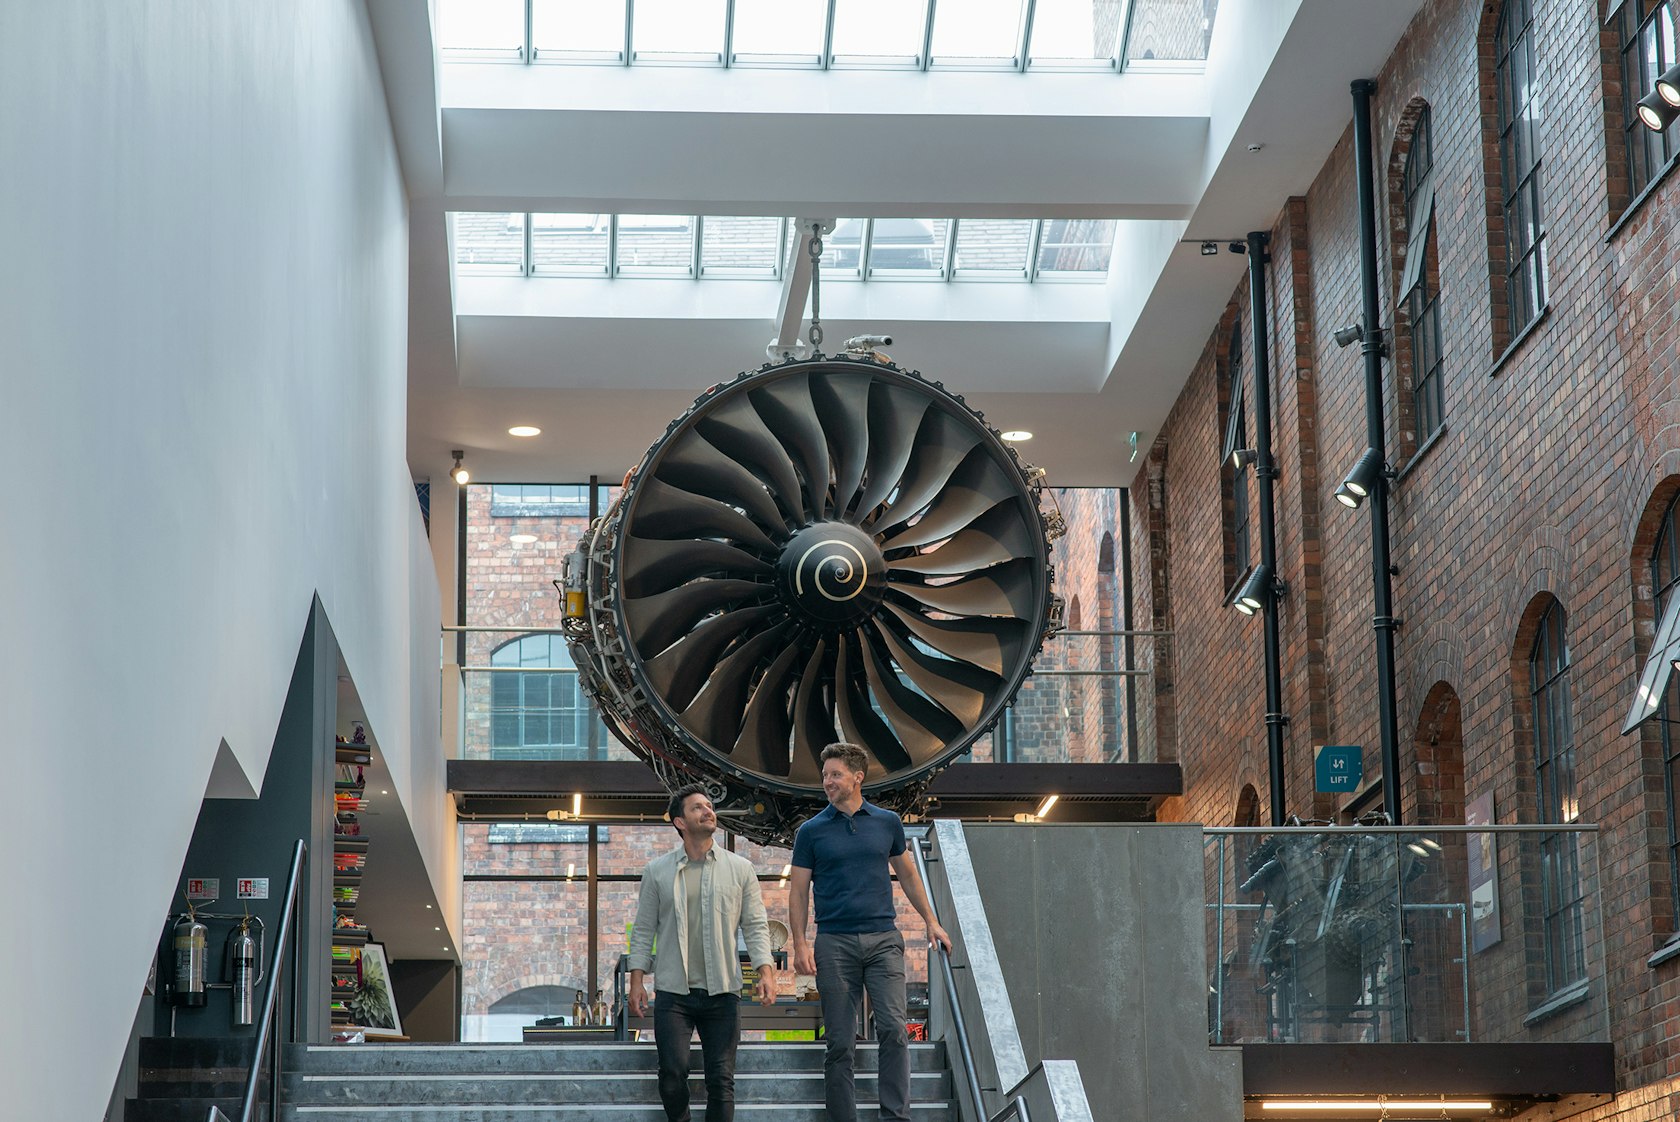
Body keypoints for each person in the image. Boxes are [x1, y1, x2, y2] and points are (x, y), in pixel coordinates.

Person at [788, 743, 952, 1122]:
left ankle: (894, 1116)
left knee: (894, 1029)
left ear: (858, 777)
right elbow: (798, 891)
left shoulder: (887, 822)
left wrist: (931, 920)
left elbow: (908, 875)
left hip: (883, 940)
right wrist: (799, 943)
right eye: (825, 775)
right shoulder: (810, 832)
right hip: (834, 943)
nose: (827, 781)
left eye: (835, 774)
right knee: (840, 1042)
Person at [627, 784, 777, 1122]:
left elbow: (755, 925)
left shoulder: (740, 869)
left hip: (723, 991)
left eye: (709, 806)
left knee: (721, 1080)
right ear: (680, 822)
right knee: (671, 1074)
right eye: (698, 807)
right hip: (673, 993)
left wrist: (766, 971)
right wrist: (636, 982)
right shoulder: (657, 871)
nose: (708, 811)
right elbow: (643, 930)